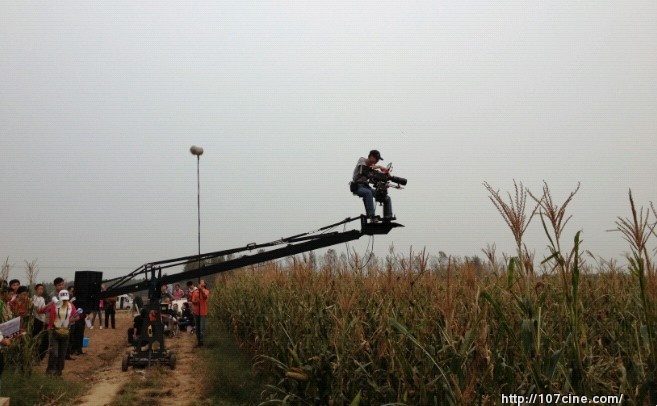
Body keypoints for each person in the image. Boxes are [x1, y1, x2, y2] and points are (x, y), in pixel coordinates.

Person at [351, 149, 393, 222]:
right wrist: (379, 166)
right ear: (371, 157)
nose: (377, 161)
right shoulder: (362, 160)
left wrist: (385, 178)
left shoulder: (372, 168)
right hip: (357, 186)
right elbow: (363, 171)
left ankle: (388, 218)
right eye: (376, 159)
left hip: (366, 187)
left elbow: (375, 177)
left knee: (386, 197)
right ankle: (372, 217)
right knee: (368, 193)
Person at [46, 290, 80, 376]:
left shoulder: (71, 306)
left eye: (66, 299)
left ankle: (58, 372)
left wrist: (71, 319)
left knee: (62, 354)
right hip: (55, 331)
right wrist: (49, 327)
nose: (64, 301)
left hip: (65, 332)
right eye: (63, 300)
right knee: (54, 353)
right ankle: (50, 371)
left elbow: (77, 316)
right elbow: (49, 315)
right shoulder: (55, 306)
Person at [32, 284, 50, 360]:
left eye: (42, 289)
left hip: (43, 320)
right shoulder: (34, 298)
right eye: (39, 289)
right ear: (36, 290)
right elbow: (39, 310)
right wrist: (48, 305)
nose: (41, 291)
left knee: (42, 339)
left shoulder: (42, 298)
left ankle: (39, 356)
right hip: (36, 320)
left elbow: (44, 310)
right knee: (35, 338)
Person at [190, 279, 210, 347]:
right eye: (200, 282)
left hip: (203, 312)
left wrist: (201, 290)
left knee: (202, 328)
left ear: (204, 284)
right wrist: (196, 302)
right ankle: (198, 341)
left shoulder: (206, 291)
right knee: (197, 328)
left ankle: (201, 342)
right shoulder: (195, 292)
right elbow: (192, 301)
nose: (201, 283)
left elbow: (205, 296)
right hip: (196, 312)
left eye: (202, 282)